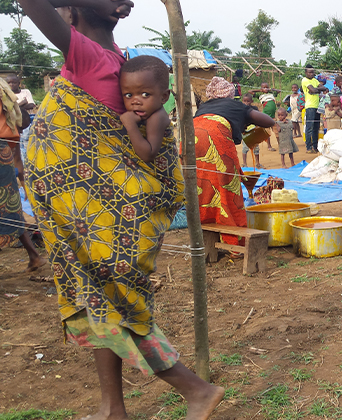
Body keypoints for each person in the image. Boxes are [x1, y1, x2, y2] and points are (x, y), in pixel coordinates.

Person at [21, 1, 228, 419]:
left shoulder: (86, 55)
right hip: (96, 214)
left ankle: (196, 389)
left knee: (113, 305)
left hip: (102, 215)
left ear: (71, 14)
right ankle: (112, 408)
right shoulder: (123, 62)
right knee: (101, 301)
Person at [193, 77, 274, 245]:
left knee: (204, 184)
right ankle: (233, 240)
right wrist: (247, 118)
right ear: (229, 93)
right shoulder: (236, 105)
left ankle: (206, 234)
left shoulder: (203, 107)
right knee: (228, 185)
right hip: (216, 137)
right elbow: (269, 121)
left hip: (191, 139)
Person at [0, 77, 44, 272]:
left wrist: (25, 186)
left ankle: (34, 255)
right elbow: (18, 165)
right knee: (12, 209)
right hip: (4, 158)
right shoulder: (10, 129)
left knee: (11, 209)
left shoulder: (10, 132)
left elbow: (19, 165)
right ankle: (34, 255)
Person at [118, 55, 171, 163]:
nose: (135, 101)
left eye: (145, 94)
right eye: (128, 95)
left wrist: (130, 125)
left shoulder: (157, 117)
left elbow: (148, 155)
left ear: (164, 97)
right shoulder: (150, 113)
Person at [6, 74, 35, 164]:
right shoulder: (6, 95)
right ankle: (21, 164)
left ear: (18, 83)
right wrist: (21, 104)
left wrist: (15, 106)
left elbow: (31, 105)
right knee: (16, 145)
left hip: (26, 121)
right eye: (9, 83)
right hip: (12, 123)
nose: (11, 84)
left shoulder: (25, 92)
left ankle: (28, 163)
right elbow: (7, 109)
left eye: (14, 82)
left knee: (27, 142)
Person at [301, 65, 327, 153]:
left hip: (317, 106)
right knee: (309, 127)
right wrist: (317, 90)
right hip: (310, 106)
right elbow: (313, 90)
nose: (311, 74)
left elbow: (324, 88)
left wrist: (316, 90)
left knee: (316, 127)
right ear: (306, 73)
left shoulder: (315, 80)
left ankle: (315, 147)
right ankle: (308, 147)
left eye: (312, 72)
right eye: (309, 72)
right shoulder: (305, 80)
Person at [248, 82, 278, 152]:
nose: (265, 88)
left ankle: (280, 145)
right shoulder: (260, 95)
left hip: (273, 117)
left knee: (277, 131)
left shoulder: (272, 94)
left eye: (267, 87)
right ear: (261, 89)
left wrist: (271, 90)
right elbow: (250, 91)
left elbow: (278, 91)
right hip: (266, 117)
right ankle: (269, 146)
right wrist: (260, 90)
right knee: (267, 132)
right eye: (264, 87)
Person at [240, 92, 262, 168]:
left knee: (256, 148)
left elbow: (258, 119)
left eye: (248, 101)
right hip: (245, 132)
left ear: (251, 101)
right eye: (244, 101)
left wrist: (258, 127)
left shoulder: (254, 109)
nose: (246, 103)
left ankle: (258, 163)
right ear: (242, 101)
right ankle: (244, 163)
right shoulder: (241, 110)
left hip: (254, 131)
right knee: (245, 148)